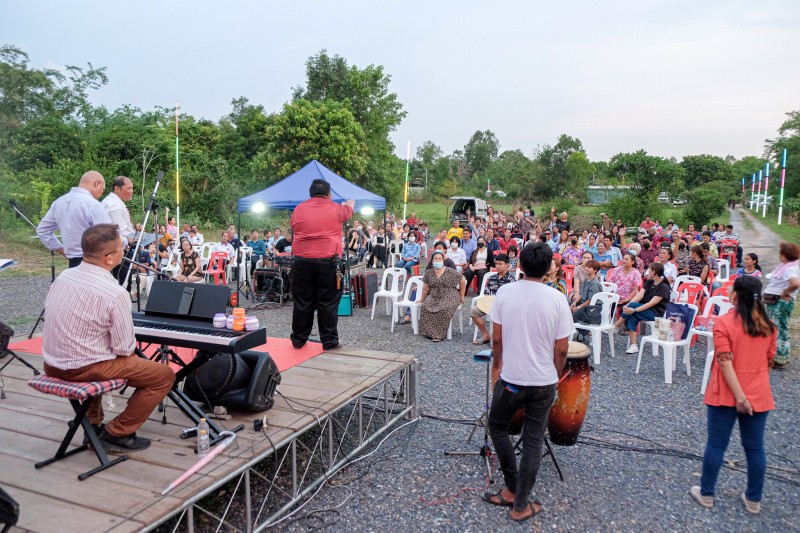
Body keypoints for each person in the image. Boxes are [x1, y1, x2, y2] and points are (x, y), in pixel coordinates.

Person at [41, 224, 174, 452]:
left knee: (98, 353)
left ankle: (91, 426)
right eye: (122, 247)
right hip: (82, 369)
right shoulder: (115, 293)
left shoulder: (63, 277)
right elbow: (124, 349)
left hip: (51, 365)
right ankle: (117, 433)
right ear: (110, 258)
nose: (125, 251)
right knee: (163, 375)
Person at [483, 242, 574, 522]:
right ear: (548, 270)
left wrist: (497, 366)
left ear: (519, 265)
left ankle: (512, 489)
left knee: (497, 426)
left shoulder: (505, 292)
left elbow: (496, 338)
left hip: (511, 379)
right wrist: (555, 374)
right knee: (534, 440)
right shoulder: (557, 298)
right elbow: (562, 349)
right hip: (543, 382)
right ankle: (520, 503)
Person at [691, 276, 777, 515]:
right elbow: (768, 362)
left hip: (726, 393)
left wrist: (740, 396)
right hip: (758, 393)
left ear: (735, 296)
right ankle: (753, 499)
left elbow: (725, 362)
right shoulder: (768, 326)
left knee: (717, 444)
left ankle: (707, 493)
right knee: (755, 448)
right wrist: (751, 389)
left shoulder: (724, 323)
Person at [290, 179, 354, 350]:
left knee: (302, 301)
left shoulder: (298, 209)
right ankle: (329, 340)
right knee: (328, 302)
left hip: (302, 261)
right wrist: (350, 203)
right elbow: (349, 210)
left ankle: (298, 339)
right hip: (328, 261)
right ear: (329, 194)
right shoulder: (336, 208)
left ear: (310, 194)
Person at [36, 170, 113, 268]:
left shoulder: (59, 202)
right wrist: (125, 242)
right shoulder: (93, 204)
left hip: (73, 263)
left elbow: (42, 230)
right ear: (97, 184)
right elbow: (110, 236)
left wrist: (62, 250)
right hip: (95, 262)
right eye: (102, 189)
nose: (101, 194)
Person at [614, 261, 672, 354]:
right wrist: (628, 305)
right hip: (644, 309)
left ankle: (616, 325)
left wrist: (634, 309)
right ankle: (634, 345)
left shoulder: (664, 287)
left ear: (654, 272)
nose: (647, 271)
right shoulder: (649, 282)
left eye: (649, 270)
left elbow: (651, 304)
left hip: (655, 313)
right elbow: (639, 296)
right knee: (631, 314)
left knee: (631, 309)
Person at [763, 242, 800, 369]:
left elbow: (795, 283)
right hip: (777, 302)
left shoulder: (789, 269)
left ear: (784, 256)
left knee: (779, 329)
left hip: (780, 303)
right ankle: (778, 356)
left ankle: (779, 358)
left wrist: (785, 291)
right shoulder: (789, 266)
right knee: (779, 328)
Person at [417, 251, 466, 342]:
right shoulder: (428, 273)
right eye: (436, 259)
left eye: (440, 259)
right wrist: (422, 300)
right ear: (432, 261)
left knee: (444, 308)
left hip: (450, 295)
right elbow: (425, 289)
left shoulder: (450, 271)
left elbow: (462, 279)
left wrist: (462, 295)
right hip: (435, 295)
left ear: (443, 260)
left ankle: (438, 335)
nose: (438, 260)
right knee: (425, 307)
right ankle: (429, 332)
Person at [471, 253, 516, 345]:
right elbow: (487, 293)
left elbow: (513, 297)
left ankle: (497, 336)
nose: (498, 266)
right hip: (490, 304)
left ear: (507, 265)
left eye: (500, 264)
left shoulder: (512, 280)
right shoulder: (492, 278)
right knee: (473, 311)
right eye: (496, 264)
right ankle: (485, 334)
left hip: (504, 306)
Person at [571, 259, 603, 342]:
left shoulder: (595, 283)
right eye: (586, 267)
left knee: (573, 316)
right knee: (567, 308)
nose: (586, 269)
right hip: (584, 303)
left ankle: (590, 333)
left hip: (593, 307)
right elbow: (581, 295)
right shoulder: (585, 280)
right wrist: (574, 303)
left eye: (589, 267)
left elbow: (590, 300)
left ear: (595, 270)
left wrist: (578, 308)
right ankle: (582, 331)